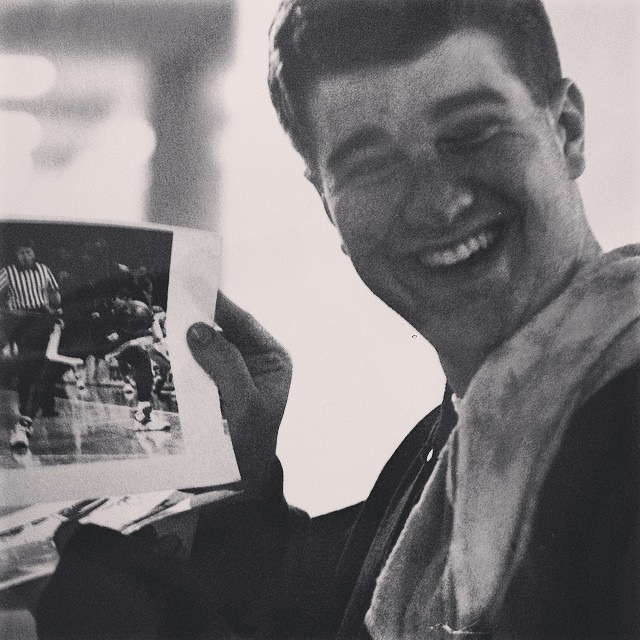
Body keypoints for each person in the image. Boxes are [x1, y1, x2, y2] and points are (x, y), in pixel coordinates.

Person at [36, 1, 640, 638]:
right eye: (370, 165)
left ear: (567, 129)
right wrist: (236, 484)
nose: (439, 202)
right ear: (327, 204)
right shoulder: (448, 438)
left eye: (472, 133)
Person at [0, 240, 63, 454]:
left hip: (43, 319)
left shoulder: (44, 269)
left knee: (46, 363)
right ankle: (25, 407)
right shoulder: (8, 272)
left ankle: (44, 407)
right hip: (21, 322)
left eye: (28, 252)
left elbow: (54, 292)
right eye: (21, 253)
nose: (25, 256)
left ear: (33, 253)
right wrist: (8, 311)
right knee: (29, 367)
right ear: (16, 255)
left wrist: (56, 308)